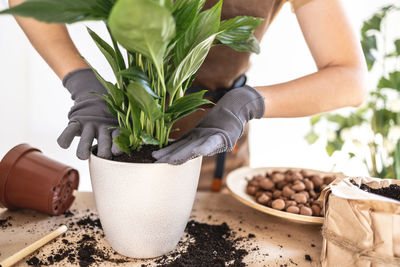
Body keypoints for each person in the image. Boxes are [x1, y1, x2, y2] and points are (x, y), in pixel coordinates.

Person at [9, 0, 367, 190]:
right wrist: (80, 80)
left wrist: (247, 104)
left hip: (217, 140)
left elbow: (350, 79)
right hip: (128, 136)